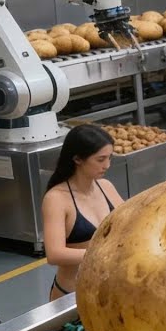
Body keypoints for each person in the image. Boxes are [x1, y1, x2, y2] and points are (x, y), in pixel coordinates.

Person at [42, 124, 125, 301]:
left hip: (109, 292)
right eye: (100, 159)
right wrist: (103, 254)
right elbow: (55, 254)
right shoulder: (56, 199)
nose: (107, 165)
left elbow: (131, 224)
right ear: (78, 159)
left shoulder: (106, 187)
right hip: (73, 296)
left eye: (109, 158)